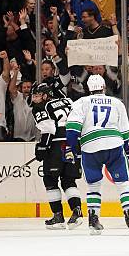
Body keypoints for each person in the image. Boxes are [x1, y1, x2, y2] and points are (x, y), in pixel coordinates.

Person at [66, 74, 129, 235]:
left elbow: (71, 130)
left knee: (93, 185)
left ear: (87, 89)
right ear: (104, 87)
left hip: (90, 147)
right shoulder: (117, 102)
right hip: (114, 144)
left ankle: (93, 219)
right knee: (123, 183)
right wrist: (126, 147)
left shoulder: (81, 102)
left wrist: (73, 149)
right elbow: (125, 132)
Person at [31, 83, 83, 230]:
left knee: (50, 179)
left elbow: (48, 129)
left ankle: (58, 217)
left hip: (56, 146)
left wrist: (42, 147)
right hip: (73, 143)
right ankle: (77, 212)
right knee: (68, 179)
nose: (34, 99)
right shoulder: (68, 101)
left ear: (45, 96)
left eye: (37, 96)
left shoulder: (41, 107)